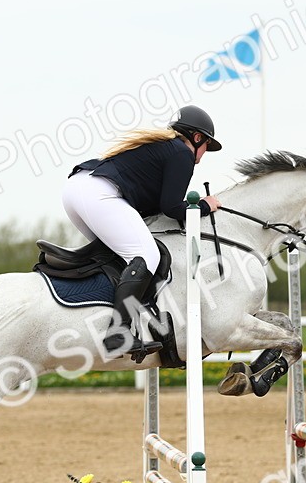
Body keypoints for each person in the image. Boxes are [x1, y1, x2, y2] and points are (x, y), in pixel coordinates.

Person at [63, 104, 222, 357]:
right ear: (197, 137)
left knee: (121, 259)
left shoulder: (165, 148)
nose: (203, 154)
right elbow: (171, 207)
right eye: (206, 147)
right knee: (148, 256)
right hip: (98, 193)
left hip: (77, 190)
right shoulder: (181, 153)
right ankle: (117, 333)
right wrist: (204, 205)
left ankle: (118, 319)